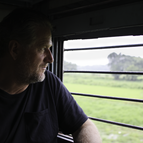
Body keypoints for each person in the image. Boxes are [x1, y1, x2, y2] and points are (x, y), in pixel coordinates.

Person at [0, 8, 102, 143]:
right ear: (15, 49)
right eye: (43, 48)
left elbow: (85, 126)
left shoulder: (48, 82)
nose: (50, 58)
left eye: (50, 48)